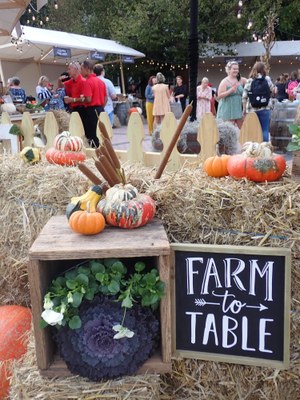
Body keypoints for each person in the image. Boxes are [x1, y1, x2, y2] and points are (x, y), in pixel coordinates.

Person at [59, 62, 96, 147]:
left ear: (76, 70)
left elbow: (86, 99)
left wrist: (73, 99)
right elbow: (61, 86)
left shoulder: (83, 81)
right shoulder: (71, 81)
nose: (68, 71)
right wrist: (59, 80)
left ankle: (87, 146)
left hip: (82, 109)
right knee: (76, 130)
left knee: (84, 130)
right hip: (75, 109)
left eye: (69, 69)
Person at [242, 61, 275, 142]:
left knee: (253, 130)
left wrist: (244, 109)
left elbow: (244, 96)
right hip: (265, 107)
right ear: (263, 69)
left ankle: (254, 149)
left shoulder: (249, 80)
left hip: (252, 109)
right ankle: (264, 150)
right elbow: (273, 90)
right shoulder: (267, 79)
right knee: (265, 129)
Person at [80, 61, 107, 147]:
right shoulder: (101, 82)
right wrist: (101, 106)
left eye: (82, 69)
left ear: (87, 69)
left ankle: (95, 151)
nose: (81, 71)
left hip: (91, 111)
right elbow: (105, 98)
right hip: (101, 109)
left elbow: (88, 99)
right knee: (101, 133)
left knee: (92, 134)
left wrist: (81, 99)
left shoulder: (88, 82)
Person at [216, 61, 244, 128]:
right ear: (229, 70)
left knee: (241, 130)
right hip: (227, 109)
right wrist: (230, 91)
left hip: (238, 109)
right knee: (228, 130)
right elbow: (219, 96)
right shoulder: (224, 81)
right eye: (234, 69)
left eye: (237, 69)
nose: (236, 70)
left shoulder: (240, 80)